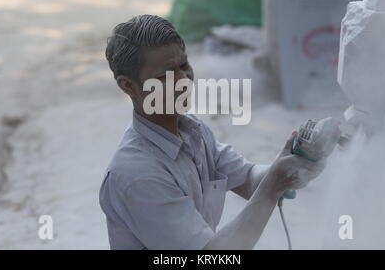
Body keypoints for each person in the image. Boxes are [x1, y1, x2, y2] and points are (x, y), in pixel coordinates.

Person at [99, 14, 325, 250]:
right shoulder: (137, 175)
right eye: (165, 75)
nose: (183, 80)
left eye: (184, 66)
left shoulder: (192, 131)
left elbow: (248, 180)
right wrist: (271, 188)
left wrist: (292, 161)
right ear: (128, 85)